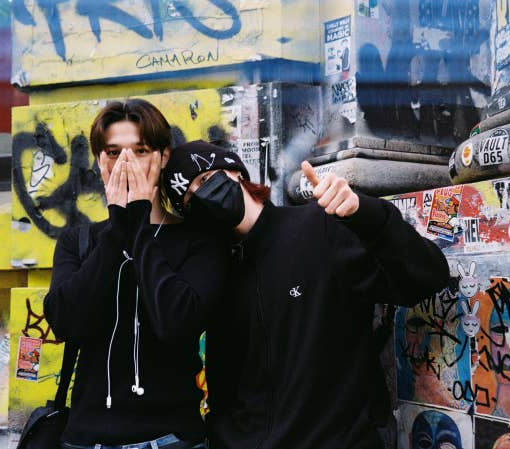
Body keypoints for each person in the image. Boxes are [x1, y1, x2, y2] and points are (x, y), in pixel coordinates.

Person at [161, 140, 451, 449]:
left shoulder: (320, 228)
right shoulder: (218, 275)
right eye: (189, 198)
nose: (202, 195)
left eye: (205, 179)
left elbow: (426, 278)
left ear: (235, 172)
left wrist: (364, 212)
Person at [44, 102, 229, 449]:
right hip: (85, 439)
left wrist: (141, 225)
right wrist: (117, 227)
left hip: (171, 439)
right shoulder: (78, 242)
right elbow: (66, 323)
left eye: (140, 151)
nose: (126, 163)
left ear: (163, 156)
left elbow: (177, 324)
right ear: (99, 160)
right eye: (114, 152)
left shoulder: (198, 241)